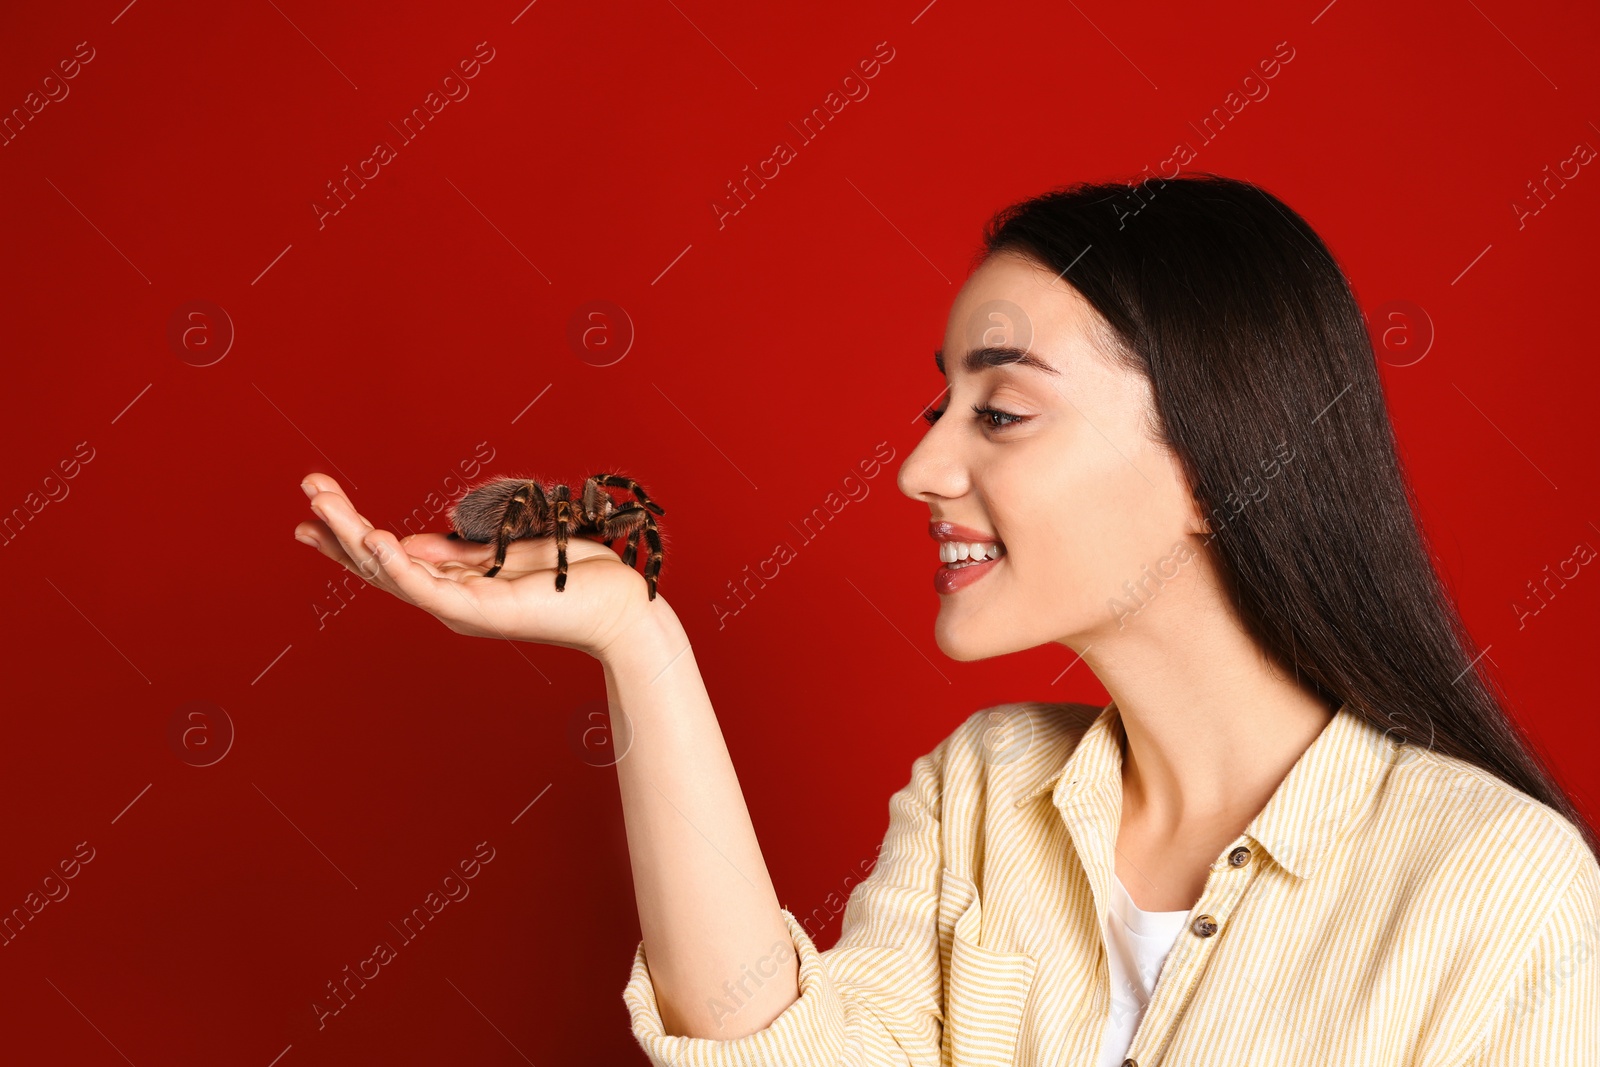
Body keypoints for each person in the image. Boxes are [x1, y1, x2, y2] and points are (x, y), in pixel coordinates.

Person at [292, 173, 1600, 1066]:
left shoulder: (1503, 893)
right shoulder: (987, 791)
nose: (920, 471)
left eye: (1004, 410)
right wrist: (640, 644)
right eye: (939, 408)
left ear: (1219, 460)